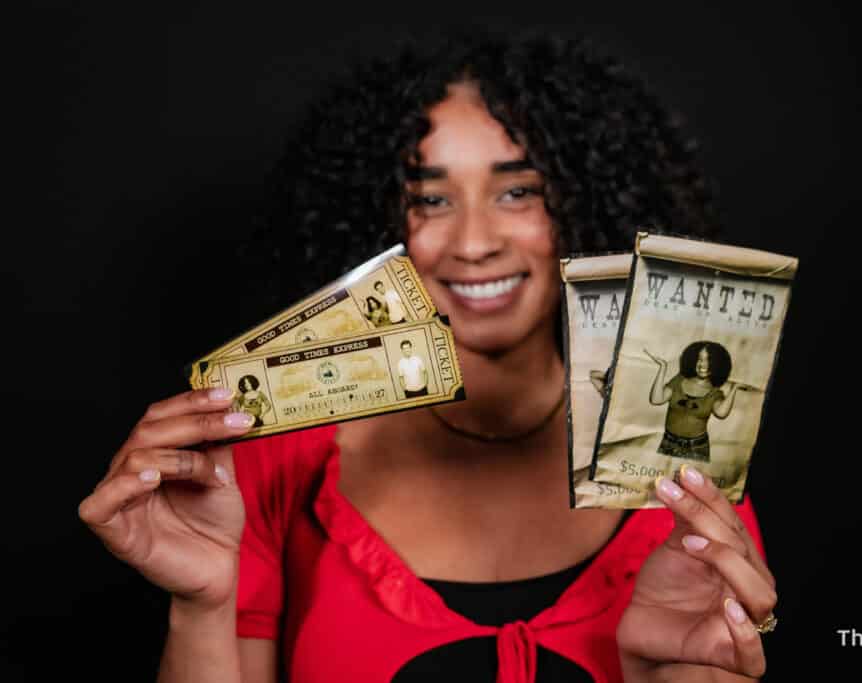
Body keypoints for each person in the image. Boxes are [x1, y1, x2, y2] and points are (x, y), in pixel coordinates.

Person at [78, 31, 777, 683]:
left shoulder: (681, 483)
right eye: (429, 198)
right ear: (378, 222)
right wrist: (198, 605)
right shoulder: (273, 462)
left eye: (516, 191)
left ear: (581, 202)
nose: (474, 242)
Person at [645, 342, 751, 462]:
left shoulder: (714, 393)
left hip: (697, 448)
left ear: (718, 365)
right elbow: (656, 399)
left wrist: (734, 389)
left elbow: (721, 413)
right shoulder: (679, 380)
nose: (702, 365)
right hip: (668, 443)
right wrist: (663, 367)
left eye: (709, 361)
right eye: (699, 359)